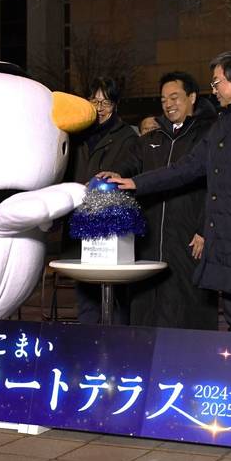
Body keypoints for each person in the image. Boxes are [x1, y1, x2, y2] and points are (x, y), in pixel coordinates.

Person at [110, 51, 231, 334]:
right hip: (227, 242)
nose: (214, 88)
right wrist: (136, 183)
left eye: (217, 81)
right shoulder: (222, 124)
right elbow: (187, 167)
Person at [100, 71, 218, 330]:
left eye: (174, 97)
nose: (168, 104)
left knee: (188, 306)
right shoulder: (153, 138)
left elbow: (216, 187)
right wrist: (116, 173)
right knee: (146, 306)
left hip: (189, 239)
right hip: (150, 238)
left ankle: (192, 354)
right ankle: (144, 352)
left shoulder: (208, 136)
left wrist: (204, 228)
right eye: (164, 99)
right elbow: (130, 164)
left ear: (192, 97)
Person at [66, 76, 138, 325]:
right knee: (86, 297)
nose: (99, 107)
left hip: (111, 225)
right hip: (80, 221)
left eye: (105, 102)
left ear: (115, 105)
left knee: (116, 299)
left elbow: (132, 165)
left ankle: (117, 345)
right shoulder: (75, 135)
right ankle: (88, 343)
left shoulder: (126, 136)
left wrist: (115, 175)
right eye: (94, 101)